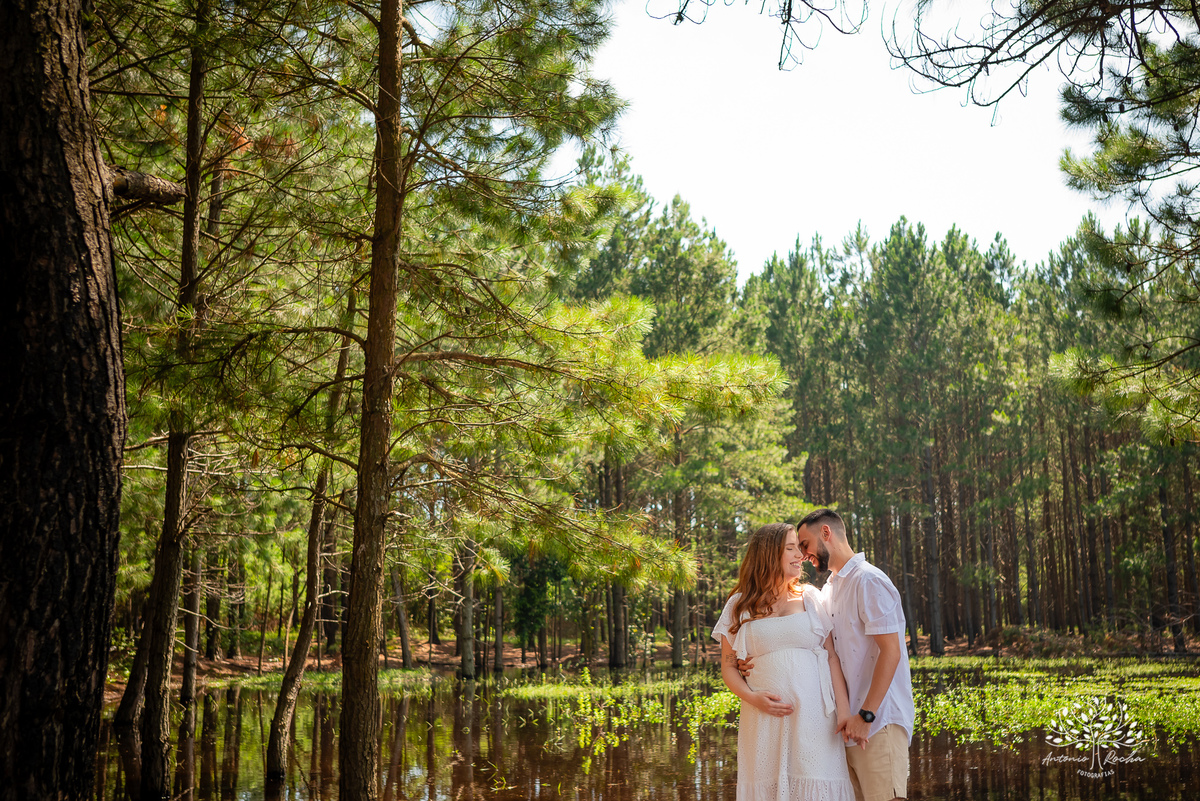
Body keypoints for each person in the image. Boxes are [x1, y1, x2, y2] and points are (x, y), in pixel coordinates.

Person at [711, 522, 857, 801]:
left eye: (799, 548)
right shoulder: (739, 604)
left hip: (815, 717)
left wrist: (844, 711)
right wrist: (754, 698)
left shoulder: (810, 598)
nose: (800, 555)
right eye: (791, 548)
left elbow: (831, 657)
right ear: (768, 554)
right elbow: (728, 667)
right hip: (763, 716)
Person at [794, 508, 915, 801]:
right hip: (849, 730)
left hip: (879, 723)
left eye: (805, 544)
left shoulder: (869, 580)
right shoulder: (829, 590)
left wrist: (866, 715)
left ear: (826, 533)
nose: (803, 555)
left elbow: (891, 652)